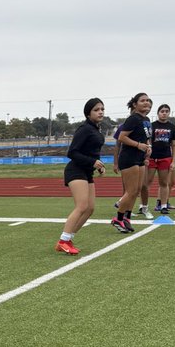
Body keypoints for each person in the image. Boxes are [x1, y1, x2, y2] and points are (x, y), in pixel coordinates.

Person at [55, 98, 106, 255]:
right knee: (82, 206)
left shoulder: (96, 130)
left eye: (102, 109)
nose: (101, 112)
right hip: (75, 170)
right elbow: (72, 152)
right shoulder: (84, 129)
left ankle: (68, 238)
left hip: (86, 171)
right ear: (88, 113)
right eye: (96, 109)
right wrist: (92, 161)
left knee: (90, 208)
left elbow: (92, 152)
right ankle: (63, 241)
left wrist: (98, 166)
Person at [111, 93, 152, 233]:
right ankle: (118, 218)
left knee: (137, 190)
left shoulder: (146, 119)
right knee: (131, 190)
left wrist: (148, 148)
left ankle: (127, 218)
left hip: (140, 158)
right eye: (142, 101)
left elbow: (146, 139)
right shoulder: (133, 118)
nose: (146, 103)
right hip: (129, 158)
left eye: (147, 100)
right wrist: (138, 145)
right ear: (135, 104)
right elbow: (122, 137)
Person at [146, 104, 175, 216]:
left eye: (166, 111)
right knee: (147, 182)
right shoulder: (151, 125)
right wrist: (146, 156)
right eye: (162, 111)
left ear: (169, 113)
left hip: (165, 157)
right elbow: (147, 141)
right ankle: (143, 206)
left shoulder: (172, 127)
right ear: (158, 113)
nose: (164, 113)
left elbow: (174, 145)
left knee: (164, 183)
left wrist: (173, 161)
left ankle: (163, 206)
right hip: (152, 158)